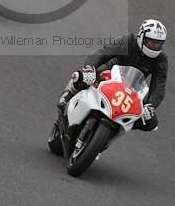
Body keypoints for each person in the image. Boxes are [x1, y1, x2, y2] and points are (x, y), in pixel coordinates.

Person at [50, 19, 168, 148]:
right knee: (82, 78)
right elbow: (102, 53)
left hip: (131, 88)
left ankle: (107, 138)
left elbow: (159, 87)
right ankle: (69, 95)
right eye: (151, 42)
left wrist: (150, 105)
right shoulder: (128, 41)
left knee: (150, 123)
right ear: (141, 37)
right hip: (109, 73)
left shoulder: (160, 59)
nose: (154, 47)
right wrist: (90, 68)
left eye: (158, 44)